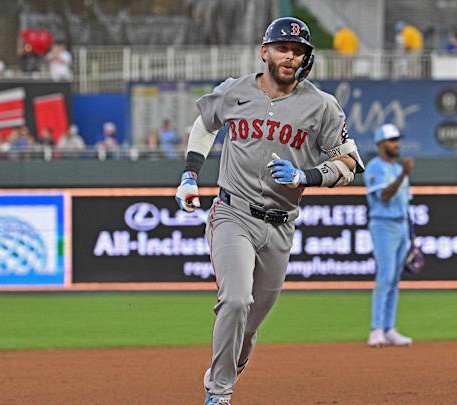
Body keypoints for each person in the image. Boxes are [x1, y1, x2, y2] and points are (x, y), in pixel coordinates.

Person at [173, 17, 364, 405]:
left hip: (280, 226)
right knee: (236, 300)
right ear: (265, 52)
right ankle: (219, 393)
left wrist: (306, 175)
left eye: (297, 52)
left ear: (305, 59)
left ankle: (234, 359)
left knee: (249, 324)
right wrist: (190, 174)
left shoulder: (322, 107)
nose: (289, 57)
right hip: (233, 213)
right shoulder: (236, 91)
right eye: (282, 48)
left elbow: (350, 164)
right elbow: (204, 124)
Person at [364, 123, 414, 348]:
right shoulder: (375, 167)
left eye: (397, 140)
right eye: (392, 140)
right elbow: (384, 196)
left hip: (401, 224)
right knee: (385, 277)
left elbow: (405, 202)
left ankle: (389, 328)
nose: (396, 144)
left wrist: (412, 234)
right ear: (380, 144)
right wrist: (403, 174)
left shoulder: (396, 167)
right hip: (383, 225)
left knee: (394, 280)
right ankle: (376, 330)